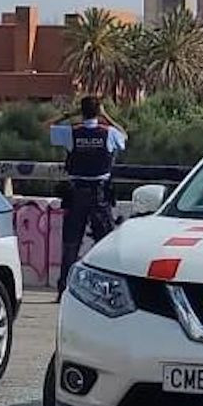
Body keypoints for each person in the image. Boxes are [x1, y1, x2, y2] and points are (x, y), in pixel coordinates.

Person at [48, 96, 127, 297]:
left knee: (71, 245)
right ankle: (108, 291)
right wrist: (106, 116)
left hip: (76, 194)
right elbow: (124, 136)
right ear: (98, 110)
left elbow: (48, 127)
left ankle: (64, 290)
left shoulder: (71, 133)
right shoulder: (108, 133)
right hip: (100, 194)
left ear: (81, 112)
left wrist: (69, 115)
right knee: (105, 245)